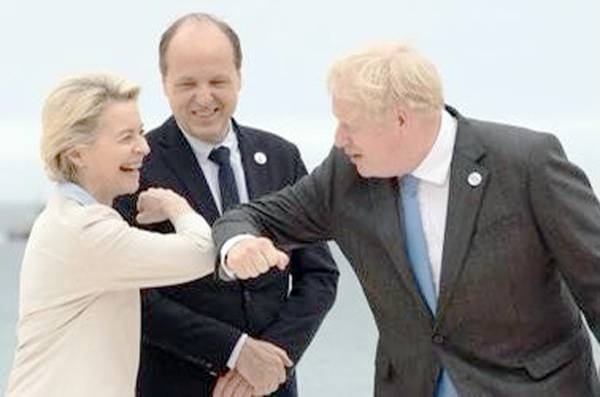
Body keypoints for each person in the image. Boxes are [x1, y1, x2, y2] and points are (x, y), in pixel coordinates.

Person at [213, 42, 600, 397]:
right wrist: (239, 244)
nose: (338, 138)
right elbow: (251, 217)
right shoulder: (345, 176)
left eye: (350, 124)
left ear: (401, 120)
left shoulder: (526, 163)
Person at [5, 73, 277, 397]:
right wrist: (177, 207)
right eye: (126, 137)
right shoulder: (84, 231)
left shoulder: (72, 220)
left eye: (142, 132)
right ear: (77, 154)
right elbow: (204, 252)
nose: (143, 147)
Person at [114, 13, 338, 397]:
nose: (204, 97)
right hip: (174, 385)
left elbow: (319, 275)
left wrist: (273, 357)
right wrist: (236, 352)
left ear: (239, 76)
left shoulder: (281, 156)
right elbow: (131, 295)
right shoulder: (136, 165)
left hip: (271, 385)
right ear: (164, 82)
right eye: (187, 83)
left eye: (218, 81)